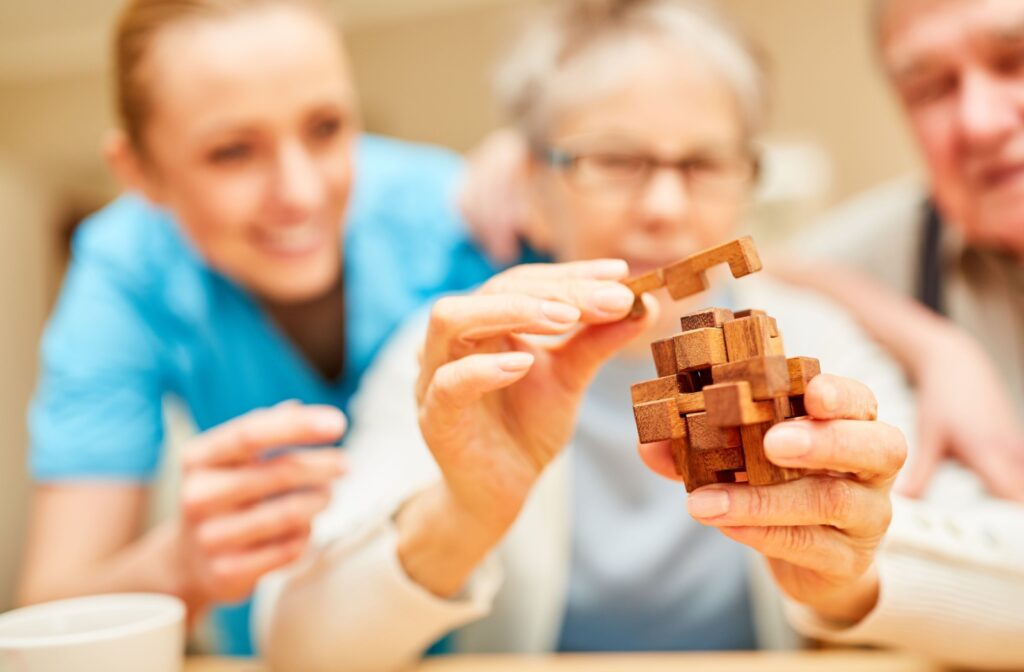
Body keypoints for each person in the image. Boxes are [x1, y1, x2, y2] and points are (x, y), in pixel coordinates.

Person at [255, 2, 1021, 669]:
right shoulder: (461, 354)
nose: (662, 207)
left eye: (703, 163)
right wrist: (461, 514)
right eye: (613, 160)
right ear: (531, 187)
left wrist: (852, 571)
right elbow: (293, 647)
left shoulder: (817, 343)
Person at [16, 0, 504, 655]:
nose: (299, 192)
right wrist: (180, 567)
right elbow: (51, 618)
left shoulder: (460, 210)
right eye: (232, 152)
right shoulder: (126, 270)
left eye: (326, 128)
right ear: (139, 173)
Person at [790, 0, 1024, 501]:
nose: (979, 123)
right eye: (929, 90)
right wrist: (934, 346)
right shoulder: (885, 249)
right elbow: (757, 267)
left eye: (1015, 59)